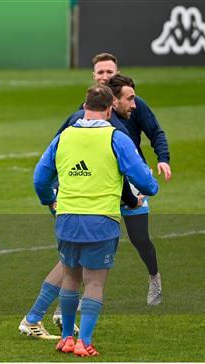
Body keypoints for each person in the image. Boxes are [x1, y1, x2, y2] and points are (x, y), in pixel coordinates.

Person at [34, 84, 158, 356]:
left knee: (70, 278)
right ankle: (84, 342)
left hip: (66, 219)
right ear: (111, 108)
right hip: (101, 221)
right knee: (94, 283)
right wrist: (150, 186)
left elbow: (39, 178)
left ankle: (67, 338)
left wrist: (50, 200)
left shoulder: (64, 136)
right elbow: (144, 182)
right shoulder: (117, 137)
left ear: (84, 106)